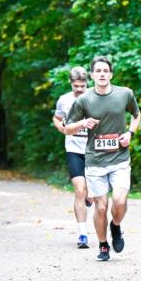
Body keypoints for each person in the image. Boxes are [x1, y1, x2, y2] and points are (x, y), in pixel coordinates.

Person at [63, 57, 141, 261]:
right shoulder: (84, 100)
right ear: (92, 75)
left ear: (111, 74)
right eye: (98, 71)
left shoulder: (125, 94)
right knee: (101, 206)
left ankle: (115, 226)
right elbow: (67, 128)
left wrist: (130, 134)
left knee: (120, 201)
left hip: (120, 159)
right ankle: (103, 245)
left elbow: (137, 115)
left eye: (106, 70)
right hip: (95, 162)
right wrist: (83, 123)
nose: (102, 74)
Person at [53, 67, 93, 249]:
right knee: (79, 190)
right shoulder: (64, 100)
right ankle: (82, 234)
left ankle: (89, 197)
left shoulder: (95, 97)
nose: (79, 89)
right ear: (71, 83)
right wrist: (63, 129)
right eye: (76, 85)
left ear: (87, 83)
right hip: (74, 149)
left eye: (82, 86)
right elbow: (56, 118)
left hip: (94, 151)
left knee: (92, 195)